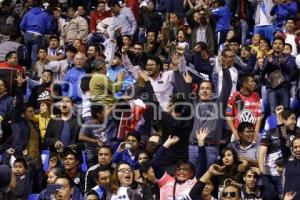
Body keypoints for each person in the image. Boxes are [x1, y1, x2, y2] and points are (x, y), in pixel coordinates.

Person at [258, 105, 300, 195]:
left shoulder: (298, 132)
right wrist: (263, 174)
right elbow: (261, 154)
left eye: (295, 119)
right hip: (271, 174)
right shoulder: (270, 133)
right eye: (292, 119)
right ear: (284, 120)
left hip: (290, 173)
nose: (295, 122)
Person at [262, 37, 297, 113]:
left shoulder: (290, 58)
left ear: (283, 46)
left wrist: (283, 64)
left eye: (280, 44)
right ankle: (274, 125)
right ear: (272, 46)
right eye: (275, 44)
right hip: (271, 88)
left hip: (284, 87)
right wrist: (269, 63)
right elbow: (263, 72)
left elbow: (292, 73)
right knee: (273, 111)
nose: (277, 45)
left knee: (285, 112)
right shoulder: (268, 57)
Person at [226, 73, 263, 141]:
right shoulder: (233, 97)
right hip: (239, 132)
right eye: (252, 81)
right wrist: (235, 132)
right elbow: (228, 116)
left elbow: (259, 115)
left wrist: (256, 132)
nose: (254, 84)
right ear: (244, 84)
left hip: (253, 132)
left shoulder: (256, 96)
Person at [19, 0, 52, 67]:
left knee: (27, 53)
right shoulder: (44, 14)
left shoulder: (28, 13)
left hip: (27, 34)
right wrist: (43, 32)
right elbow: (49, 27)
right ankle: (33, 72)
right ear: (40, 6)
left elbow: (21, 25)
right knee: (34, 55)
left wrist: (27, 31)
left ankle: (27, 69)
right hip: (38, 35)